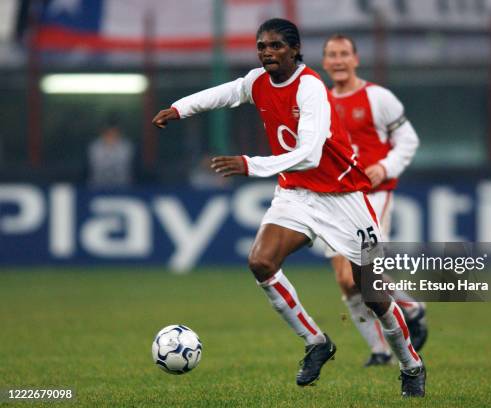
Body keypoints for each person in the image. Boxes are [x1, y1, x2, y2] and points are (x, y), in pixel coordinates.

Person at [152, 18, 425, 398]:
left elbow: (310, 155)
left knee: (373, 292)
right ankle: (316, 342)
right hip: (296, 193)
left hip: (341, 195)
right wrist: (179, 109)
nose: (267, 52)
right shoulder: (257, 81)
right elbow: (224, 93)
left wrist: (251, 164)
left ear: (295, 50)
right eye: (262, 46)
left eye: (276, 46)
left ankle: (411, 365)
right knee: (261, 262)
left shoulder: (310, 87)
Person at [322, 34, 428, 366]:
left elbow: (408, 139)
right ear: (324, 63)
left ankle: (390, 340)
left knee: (362, 273)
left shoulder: (378, 97)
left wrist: (385, 166)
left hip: (373, 195)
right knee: (345, 279)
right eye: (331, 55)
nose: (338, 60)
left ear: (356, 59)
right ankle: (386, 342)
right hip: (335, 197)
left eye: (344, 54)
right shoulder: (319, 101)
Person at [87, 121, 134, 188]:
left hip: (122, 184)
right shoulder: (95, 146)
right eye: (109, 134)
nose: (112, 136)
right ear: (103, 134)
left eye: (114, 134)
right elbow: (97, 168)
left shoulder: (126, 146)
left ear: (119, 134)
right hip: (98, 184)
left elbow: (123, 167)